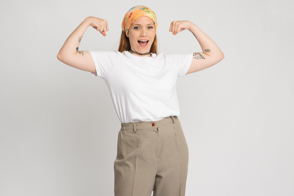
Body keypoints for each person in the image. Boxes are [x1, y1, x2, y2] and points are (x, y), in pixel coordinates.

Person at [57, 5, 224, 196]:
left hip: (172, 138)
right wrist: (87, 22)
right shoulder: (112, 62)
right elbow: (65, 54)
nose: (144, 33)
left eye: (150, 27)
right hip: (135, 139)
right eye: (136, 27)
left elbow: (215, 54)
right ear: (127, 32)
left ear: (155, 31)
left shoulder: (169, 62)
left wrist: (191, 26)